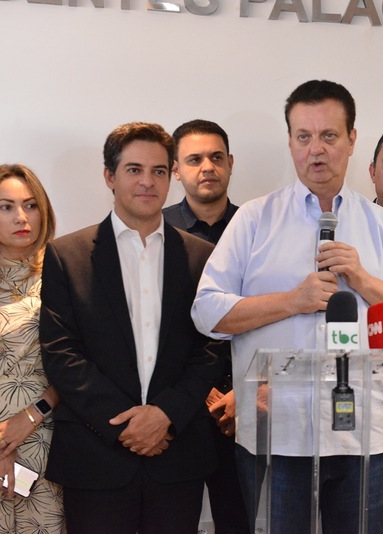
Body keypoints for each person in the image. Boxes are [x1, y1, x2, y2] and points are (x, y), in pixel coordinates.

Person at [191, 79, 383, 534]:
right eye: (304, 136)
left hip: (365, 436)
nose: (316, 149)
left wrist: (363, 280)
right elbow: (206, 313)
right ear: (290, 142)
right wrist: (291, 302)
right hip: (277, 435)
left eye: (329, 136)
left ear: (352, 140)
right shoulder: (254, 219)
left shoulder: (382, 225)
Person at [39, 122, 224, 534]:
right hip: (95, 455)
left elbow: (211, 347)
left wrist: (165, 415)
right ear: (110, 176)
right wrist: (125, 425)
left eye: (158, 171)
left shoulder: (202, 256)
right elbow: (61, 353)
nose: (147, 182)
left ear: (171, 176)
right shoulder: (67, 255)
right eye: (134, 169)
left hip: (176, 453)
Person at [164, 119, 247, 534]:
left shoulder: (256, 227)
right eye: (194, 159)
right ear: (176, 170)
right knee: (172, 522)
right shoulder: (156, 230)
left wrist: (242, 391)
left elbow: (272, 314)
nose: (207, 167)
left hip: (243, 403)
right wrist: (194, 393)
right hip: (176, 405)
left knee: (240, 521)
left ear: (230, 163)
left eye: (216, 157)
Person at [0, 164, 63, 531]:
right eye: (6, 207)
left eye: (30, 205)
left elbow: (83, 359)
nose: (21, 217)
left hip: (49, 435)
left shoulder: (67, 273)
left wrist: (30, 417)